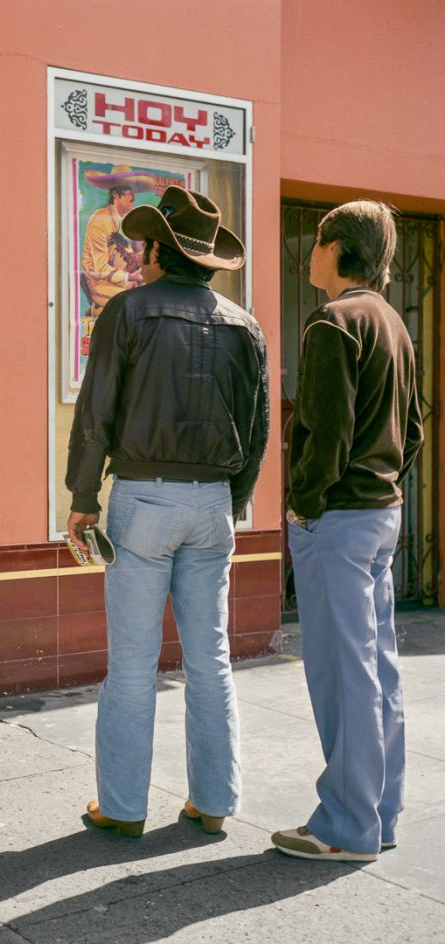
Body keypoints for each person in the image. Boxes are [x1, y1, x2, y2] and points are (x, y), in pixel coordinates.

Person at [66, 185, 268, 838]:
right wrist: (232, 503)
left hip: (144, 497)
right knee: (209, 657)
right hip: (213, 504)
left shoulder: (127, 313)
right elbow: (259, 429)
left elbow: (95, 414)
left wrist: (80, 501)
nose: (137, 255)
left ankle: (122, 807)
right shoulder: (245, 326)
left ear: (157, 250)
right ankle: (213, 802)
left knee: (132, 661)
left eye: (142, 246)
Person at [272, 202, 423, 862]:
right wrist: (380, 482)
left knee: (344, 675)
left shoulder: (333, 322)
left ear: (337, 251)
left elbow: (325, 434)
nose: (309, 253)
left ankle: (345, 826)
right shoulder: (393, 323)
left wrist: (304, 506)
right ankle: (379, 815)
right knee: (377, 670)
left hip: (338, 518)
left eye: (316, 243)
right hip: (381, 514)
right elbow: (412, 430)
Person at [80, 166, 153, 312]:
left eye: (134, 190)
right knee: (134, 302)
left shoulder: (116, 219)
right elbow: (100, 267)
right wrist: (132, 277)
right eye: (128, 190)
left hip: (117, 277)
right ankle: (97, 311)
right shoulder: (101, 220)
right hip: (97, 281)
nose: (133, 195)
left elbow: (121, 252)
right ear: (115, 195)